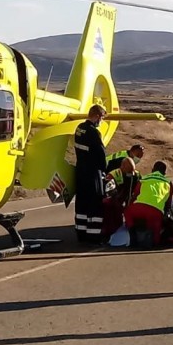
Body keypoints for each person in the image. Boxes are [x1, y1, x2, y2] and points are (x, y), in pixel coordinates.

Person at [73, 104, 108, 243]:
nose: (102, 121)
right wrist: (104, 170)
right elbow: (101, 154)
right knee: (95, 204)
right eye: (102, 118)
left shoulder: (79, 128)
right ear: (98, 116)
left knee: (81, 203)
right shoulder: (94, 132)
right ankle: (93, 236)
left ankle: (81, 234)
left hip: (80, 170)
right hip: (92, 173)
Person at [123, 161, 173, 246]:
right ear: (164, 173)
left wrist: (129, 207)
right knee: (156, 226)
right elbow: (168, 204)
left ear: (152, 170)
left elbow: (134, 196)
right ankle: (155, 242)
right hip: (155, 212)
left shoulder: (144, 179)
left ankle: (132, 236)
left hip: (137, 209)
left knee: (127, 213)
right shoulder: (168, 182)